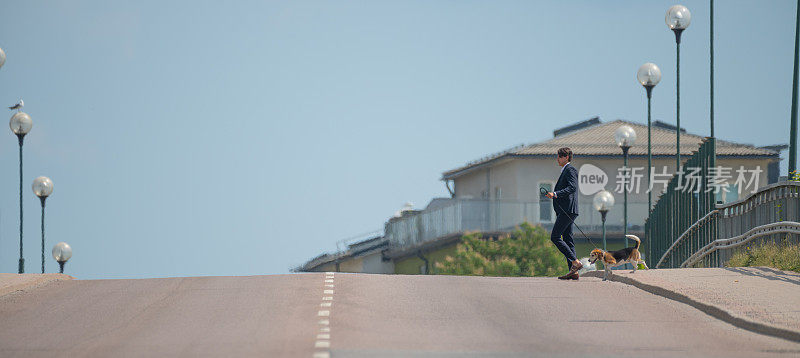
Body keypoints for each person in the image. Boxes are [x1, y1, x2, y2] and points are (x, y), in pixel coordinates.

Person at [545, 147, 583, 280]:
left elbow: (572, 187)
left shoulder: (570, 169)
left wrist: (555, 194)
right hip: (566, 210)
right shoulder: (565, 171)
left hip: (568, 210)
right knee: (568, 239)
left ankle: (575, 262)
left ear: (566, 157)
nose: (557, 159)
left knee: (555, 236)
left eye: (559, 156)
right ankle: (573, 272)